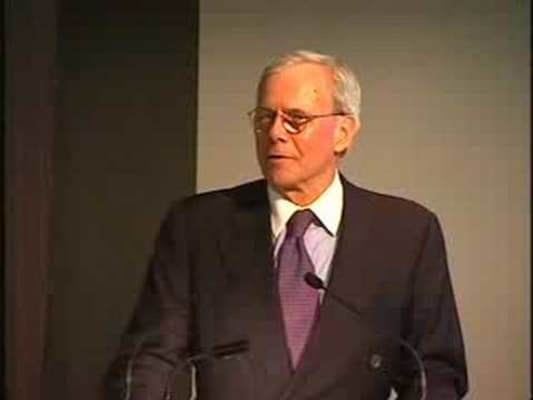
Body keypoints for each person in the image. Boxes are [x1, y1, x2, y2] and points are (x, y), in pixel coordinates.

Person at [104, 50, 468, 400]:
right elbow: (150, 360)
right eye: (265, 118)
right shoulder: (198, 225)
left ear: (343, 132)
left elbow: (434, 372)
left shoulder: (406, 233)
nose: (275, 132)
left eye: (296, 119)